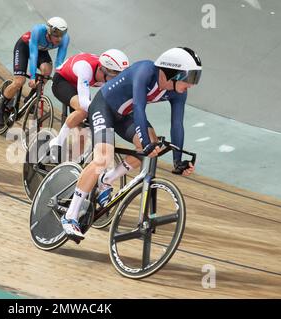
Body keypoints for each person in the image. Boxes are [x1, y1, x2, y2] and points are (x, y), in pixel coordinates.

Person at [60, 47, 202, 240]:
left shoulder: (179, 93)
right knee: (103, 158)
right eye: (191, 78)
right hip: (104, 107)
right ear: (173, 72)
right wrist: (145, 144)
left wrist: (178, 161)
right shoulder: (145, 70)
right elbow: (139, 107)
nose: (192, 85)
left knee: (151, 142)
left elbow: (177, 124)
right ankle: (70, 216)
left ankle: (107, 180)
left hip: (125, 115)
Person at [49, 49, 129, 162]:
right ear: (104, 70)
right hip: (62, 81)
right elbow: (85, 103)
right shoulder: (85, 68)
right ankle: (57, 142)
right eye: (115, 76)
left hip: (80, 85)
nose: (117, 80)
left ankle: (74, 165)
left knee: (82, 134)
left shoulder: (108, 76)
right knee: (83, 110)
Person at [0, 17, 70, 126]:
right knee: (19, 82)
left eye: (62, 34)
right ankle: (1, 107)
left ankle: (31, 98)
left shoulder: (65, 39)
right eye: (56, 35)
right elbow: (33, 54)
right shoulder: (38, 31)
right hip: (24, 47)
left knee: (47, 71)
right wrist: (33, 76)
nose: (59, 38)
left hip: (41, 51)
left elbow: (59, 62)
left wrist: (58, 78)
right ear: (49, 31)